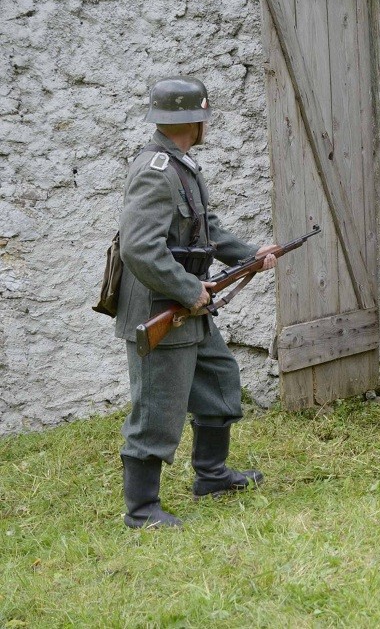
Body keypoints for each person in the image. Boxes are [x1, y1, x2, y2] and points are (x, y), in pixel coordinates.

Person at [115, 76, 277, 528]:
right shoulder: (155, 172)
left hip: (189, 310)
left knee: (219, 379)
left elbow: (206, 232)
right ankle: (142, 510)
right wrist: (190, 290)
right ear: (193, 120)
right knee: (158, 408)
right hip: (161, 308)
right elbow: (139, 249)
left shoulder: (182, 166)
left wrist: (250, 255)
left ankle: (211, 476)